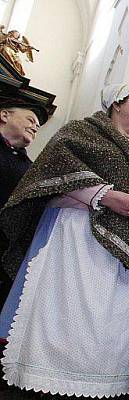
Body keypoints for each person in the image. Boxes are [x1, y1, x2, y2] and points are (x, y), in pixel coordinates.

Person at [0, 84, 129, 400]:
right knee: (67, 321)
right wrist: (104, 195)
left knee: (114, 331)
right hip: (80, 237)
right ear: (117, 102)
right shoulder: (80, 132)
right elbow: (49, 175)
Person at [0, 95, 50, 310]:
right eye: (30, 120)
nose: (35, 126)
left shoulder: (30, 168)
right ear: (4, 115)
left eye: (38, 125)